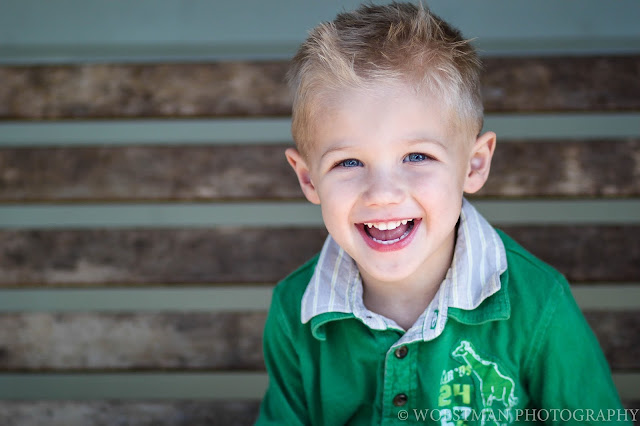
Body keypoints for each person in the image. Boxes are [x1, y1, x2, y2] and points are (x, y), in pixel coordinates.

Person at [255, 2, 628, 424]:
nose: (383, 194)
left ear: (474, 164)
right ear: (308, 179)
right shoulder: (295, 310)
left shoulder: (538, 304)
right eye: (349, 162)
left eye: (417, 156)